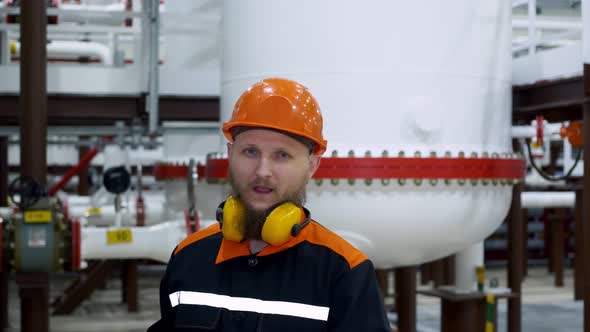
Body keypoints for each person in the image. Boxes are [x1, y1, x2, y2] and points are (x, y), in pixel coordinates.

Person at [148, 78, 391, 331]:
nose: (263, 171)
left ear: (311, 166)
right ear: (231, 155)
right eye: (250, 152)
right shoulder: (189, 258)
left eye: (282, 155)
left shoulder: (344, 272)